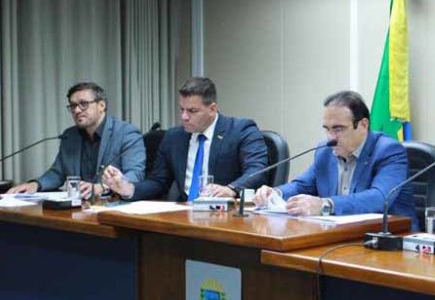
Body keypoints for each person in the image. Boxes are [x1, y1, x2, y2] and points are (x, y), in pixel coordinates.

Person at [254, 90, 417, 228]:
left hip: (390, 240)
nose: (331, 137)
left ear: (363, 125)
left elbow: (379, 198)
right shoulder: (324, 151)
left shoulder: (388, 151)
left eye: (338, 129)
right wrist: (276, 193)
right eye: (327, 129)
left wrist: (325, 205)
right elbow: (302, 185)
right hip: (340, 237)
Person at [103, 77, 268, 201]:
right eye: (182, 109)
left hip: (225, 215)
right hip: (185, 215)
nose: (184, 117)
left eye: (192, 111)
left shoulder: (241, 130)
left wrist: (231, 189)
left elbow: (256, 171)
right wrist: (128, 188)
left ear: (212, 109)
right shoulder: (174, 137)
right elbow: (158, 182)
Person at [8, 81, 145, 198]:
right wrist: (36, 185)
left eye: (83, 104)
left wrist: (103, 187)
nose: (77, 110)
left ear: (101, 106)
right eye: (73, 105)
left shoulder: (126, 133)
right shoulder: (70, 136)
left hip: (112, 205)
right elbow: (58, 173)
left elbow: (136, 174)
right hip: (79, 206)